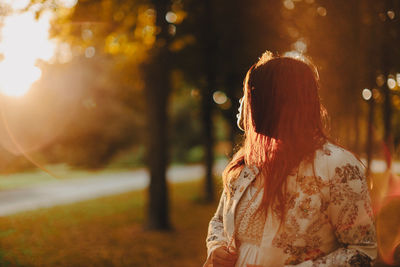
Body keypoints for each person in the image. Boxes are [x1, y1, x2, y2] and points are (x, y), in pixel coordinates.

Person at [203, 51, 377, 267]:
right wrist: (216, 246)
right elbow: (219, 219)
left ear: (281, 101)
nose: (245, 104)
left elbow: (361, 252)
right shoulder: (247, 163)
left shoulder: (338, 166)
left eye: (252, 95)